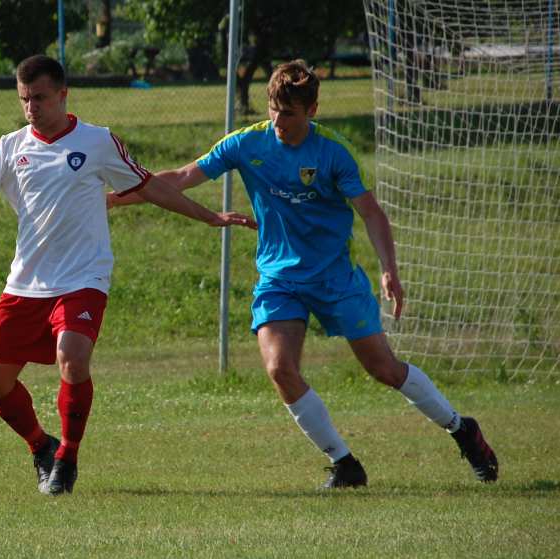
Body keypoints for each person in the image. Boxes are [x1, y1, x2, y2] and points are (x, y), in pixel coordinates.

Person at [109, 59, 498, 488]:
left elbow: (370, 212)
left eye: (289, 112)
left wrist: (389, 269)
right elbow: (181, 176)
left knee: (384, 369)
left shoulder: (333, 152)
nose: (278, 120)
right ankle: (345, 463)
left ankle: (462, 428)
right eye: (274, 108)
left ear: (311, 111)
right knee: (279, 368)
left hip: (335, 279)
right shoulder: (246, 143)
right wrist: (113, 198)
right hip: (279, 280)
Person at [0, 55, 255, 496]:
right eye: (24, 99)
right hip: (26, 282)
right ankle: (42, 446)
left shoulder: (97, 142)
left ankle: (67, 459)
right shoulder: (10, 146)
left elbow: (148, 185)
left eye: (40, 97)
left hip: (83, 277)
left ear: (63, 94)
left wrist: (208, 217)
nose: (31, 107)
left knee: (72, 356)